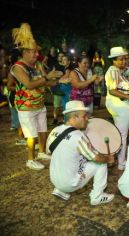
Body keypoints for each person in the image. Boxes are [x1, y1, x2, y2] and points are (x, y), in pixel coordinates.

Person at [11, 23, 63, 170]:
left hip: (39, 104)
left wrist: (60, 80)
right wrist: (48, 78)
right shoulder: (17, 67)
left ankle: (41, 153)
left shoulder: (37, 66)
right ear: (25, 52)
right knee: (31, 135)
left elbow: (45, 82)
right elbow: (29, 84)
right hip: (25, 106)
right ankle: (30, 159)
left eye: (36, 52)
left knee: (42, 130)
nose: (36, 54)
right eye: (34, 52)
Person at [47, 100, 115, 205]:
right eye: (84, 116)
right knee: (101, 163)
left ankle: (60, 190)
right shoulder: (78, 137)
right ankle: (97, 196)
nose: (87, 119)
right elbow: (96, 158)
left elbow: (49, 152)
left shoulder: (55, 130)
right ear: (74, 117)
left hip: (54, 180)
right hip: (69, 183)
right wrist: (109, 159)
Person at [105, 47, 129, 170]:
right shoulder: (113, 71)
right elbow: (112, 91)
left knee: (121, 134)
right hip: (119, 105)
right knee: (122, 135)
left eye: (125, 59)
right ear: (113, 60)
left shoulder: (118, 71)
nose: (124, 61)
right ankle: (121, 163)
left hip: (120, 105)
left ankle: (117, 160)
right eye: (120, 59)